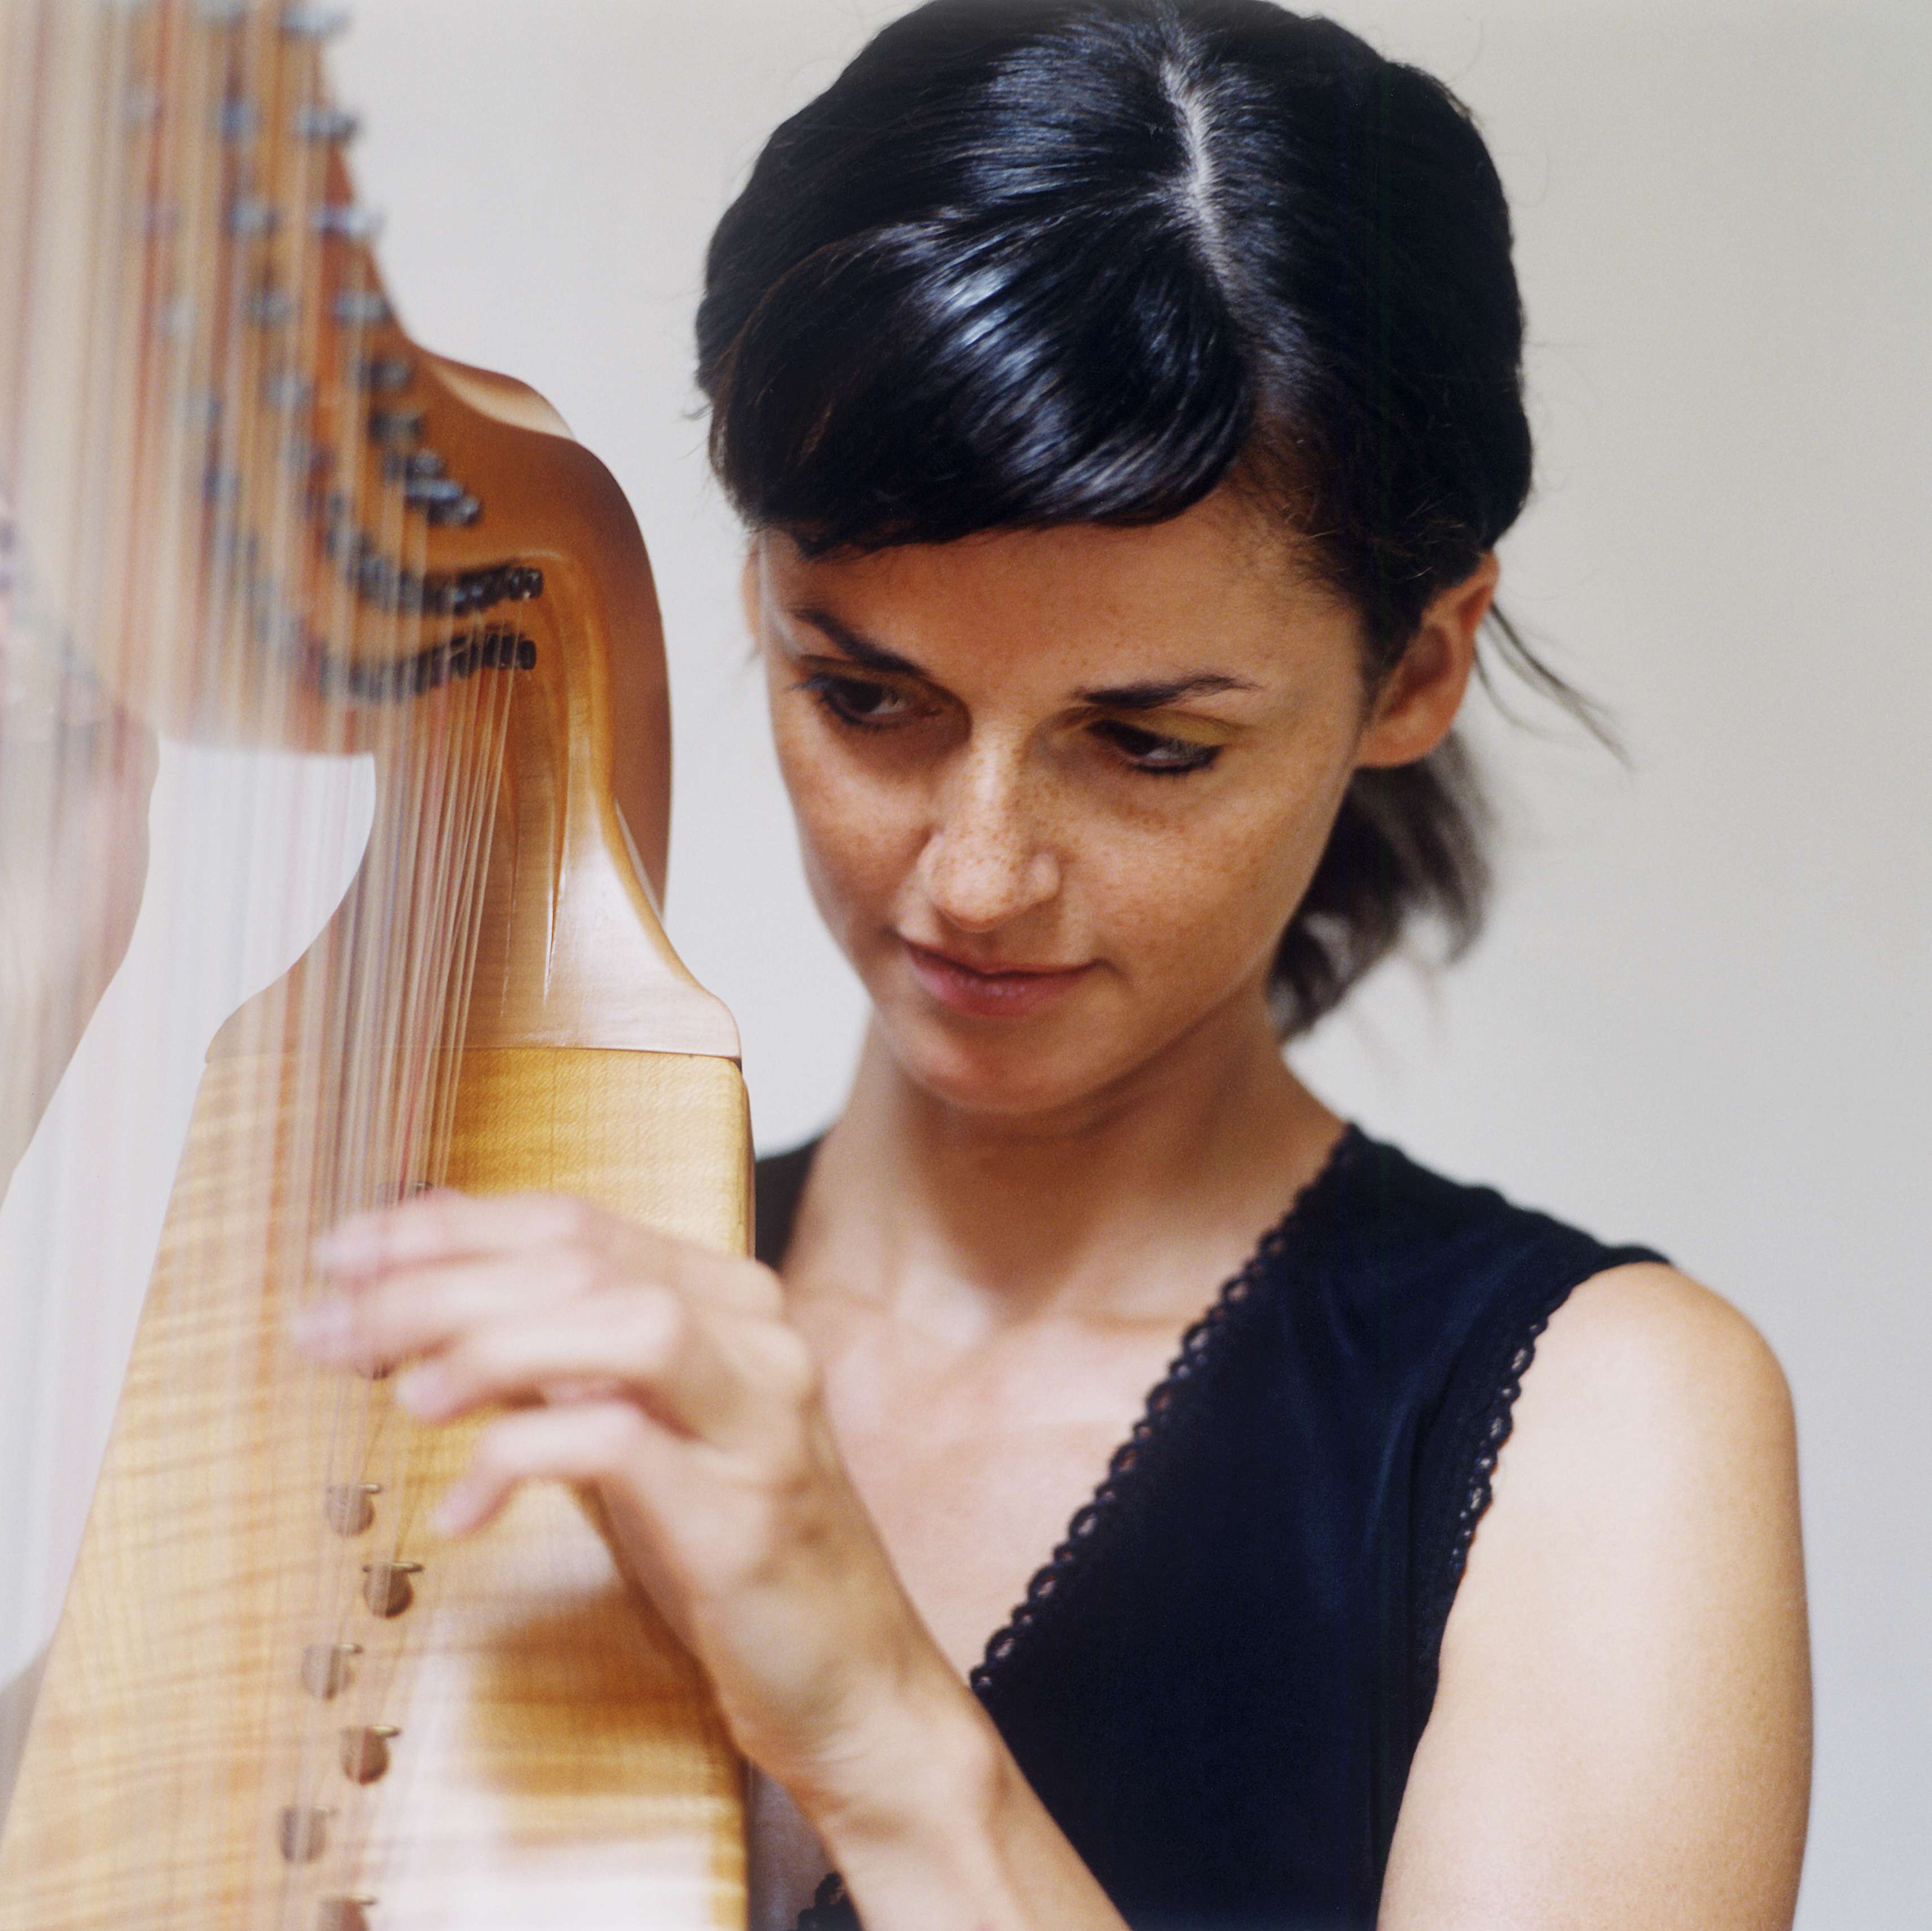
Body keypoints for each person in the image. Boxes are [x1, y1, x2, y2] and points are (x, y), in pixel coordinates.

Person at [297, 3, 1812, 1926]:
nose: (976, 876)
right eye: (868, 698)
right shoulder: (513, 1337)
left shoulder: (1603, 1427)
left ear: (1414, 669)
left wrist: (876, 1721)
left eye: (1146, 744)